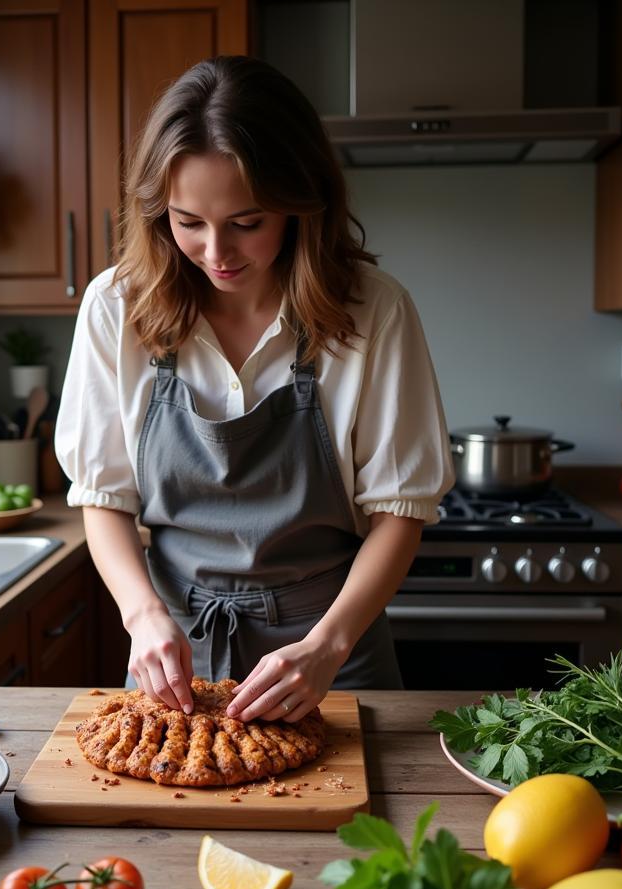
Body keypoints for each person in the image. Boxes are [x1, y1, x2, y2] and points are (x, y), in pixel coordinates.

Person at [54, 56, 453, 724]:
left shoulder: (373, 311)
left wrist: (326, 644)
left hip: (334, 652)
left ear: (301, 203)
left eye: (247, 222)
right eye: (188, 222)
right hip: (170, 655)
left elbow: (400, 511)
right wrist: (142, 612)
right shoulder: (114, 308)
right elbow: (103, 496)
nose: (216, 252)